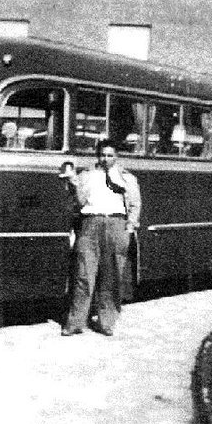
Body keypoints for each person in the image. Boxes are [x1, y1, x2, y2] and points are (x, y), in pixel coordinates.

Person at [59, 140, 142, 336]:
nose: (106, 159)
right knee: (83, 275)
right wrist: (72, 183)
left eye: (110, 155)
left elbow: (135, 204)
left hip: (116, 225)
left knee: (112, 277)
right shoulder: (87, 175)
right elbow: (79, 201)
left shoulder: (126, 177)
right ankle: (75, 323)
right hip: (90, 225)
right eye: (103, 155)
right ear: (98, 156)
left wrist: (130, 227)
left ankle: (107, 323)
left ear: (117, 156)